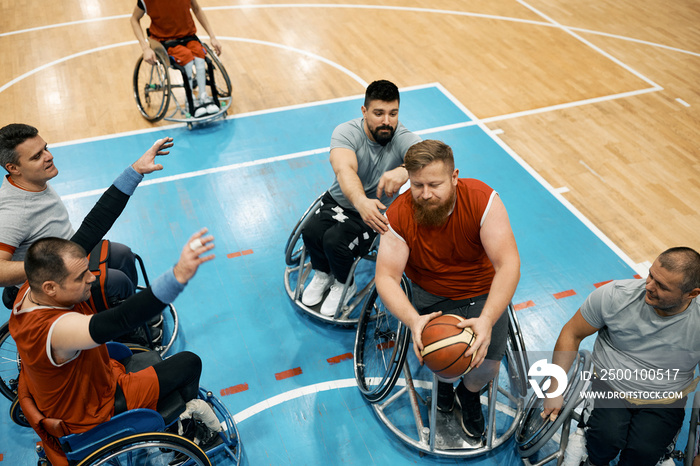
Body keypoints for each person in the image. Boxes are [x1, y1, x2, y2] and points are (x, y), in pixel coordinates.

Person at [12, 230, 215, 466]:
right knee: (189, 363)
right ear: (50, 288)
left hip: (74, 393)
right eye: (80, 277)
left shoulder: (29, 291)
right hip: (95, 410)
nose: (90, 278)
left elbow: (94, 224)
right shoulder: (59, 331)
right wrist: (177, 276)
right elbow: (122, 319)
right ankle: (183, 429)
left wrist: (123, 190)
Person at [374, 139, 520, 438]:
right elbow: (386, 277)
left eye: (434, 184)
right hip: (430, 294)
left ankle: (468, 394)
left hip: (482, 292)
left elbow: (508, 265)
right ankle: (444, 384)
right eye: (417, 185)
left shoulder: (482, 200)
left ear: (455, 177)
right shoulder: (399, 215)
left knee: (487, 366)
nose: (425, 194)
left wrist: (488, 318)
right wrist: (413, 320)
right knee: (442, 363)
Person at [541, 247, 700, 466]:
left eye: (662, 286)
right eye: (651, 275)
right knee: (604, 439)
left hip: (665, 399)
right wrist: (555, 388)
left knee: (643, 453)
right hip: (610, 385)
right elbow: (571, 333)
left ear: (692, 294)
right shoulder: (615, 295)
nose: (649, 286)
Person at [0, 124, 169, 309]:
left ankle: (126, 311)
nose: (49, 156)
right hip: (51, 280)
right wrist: (47, 265)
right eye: (37, 156)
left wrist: (136, 170)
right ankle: (124, 329)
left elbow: (94, 224)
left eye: (45, 148)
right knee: (116, 282)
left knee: (123, 255)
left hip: (67, 252)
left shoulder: (33, 181)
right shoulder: (13, 213)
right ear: (13, 168)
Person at [300, 79, 421, 317]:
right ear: (364, 111)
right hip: (342, 202)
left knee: (335, 241)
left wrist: (405, 169)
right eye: (379, 113)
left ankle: (345, 283)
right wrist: (360, 202)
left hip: (376, 212)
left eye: (393, 113)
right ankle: (323, 274)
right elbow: (345, 170)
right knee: (311, 230)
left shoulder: (403, 138)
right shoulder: (346, 132)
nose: (387, 121)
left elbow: (433, 159)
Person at [130, 0, 223, 118]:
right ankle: (190, 101)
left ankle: (203, 97)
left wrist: (212, 37)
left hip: (189, 37)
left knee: (200, 56)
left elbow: (197, 9)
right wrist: (145, 48)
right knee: (187, 58)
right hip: (165, 41)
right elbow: (134, 19)